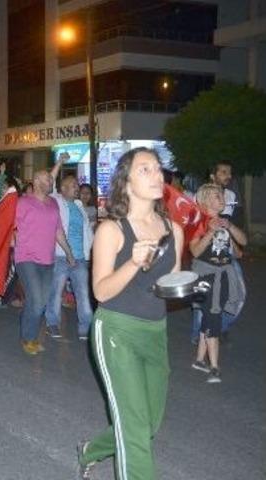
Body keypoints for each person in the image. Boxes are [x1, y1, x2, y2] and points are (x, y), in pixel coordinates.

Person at [77, 147, 184, 480]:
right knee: (135, 428)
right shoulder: (112, 230)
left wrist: (189, 287)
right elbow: (101, 292)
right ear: (126, 182)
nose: (157, 175)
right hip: (116, 330)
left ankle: (90, 450)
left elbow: (168, 284)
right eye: (145, 169)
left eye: (158, 168)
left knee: (148, 423)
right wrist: (134, 263)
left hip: (155, 331)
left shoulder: (174, 230)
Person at [14, 168, 75, 355]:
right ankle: (29, 339)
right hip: (27, 258)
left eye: (51, 179)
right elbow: (11, 226)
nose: (51, 181)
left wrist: (69, 253)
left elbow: (58, 231)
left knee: (39, 301)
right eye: (47, 179)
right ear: (36, 182)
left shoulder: (53, 203)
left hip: (48, 260)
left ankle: (27, 326)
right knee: (38, 300)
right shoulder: (23, 202)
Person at [189, 183, 246, 383]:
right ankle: (214, 367)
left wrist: (229, 227)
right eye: (216, 196)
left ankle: (199, 360)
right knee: (213, 317)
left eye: (221, 195)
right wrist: (210, 232)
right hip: (205, 276)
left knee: (210, 315)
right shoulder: (199, 223)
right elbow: (195, 251)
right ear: (205, 201)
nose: (222, 198)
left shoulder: (225, 222)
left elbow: (243, 243)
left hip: (224, 276)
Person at [46, 173, 94, 341]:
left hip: (80, 258)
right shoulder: (57, 202)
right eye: (73, 185)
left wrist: (88, 252)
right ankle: (52, 322)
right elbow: (50, 183)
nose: (77, 188)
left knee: (83, 294)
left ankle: (85, 327)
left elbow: (86, 232)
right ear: (63, 189)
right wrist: (59, 163)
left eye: (77, 185)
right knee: (56, 292)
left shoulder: (79, 206)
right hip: (61, 256)